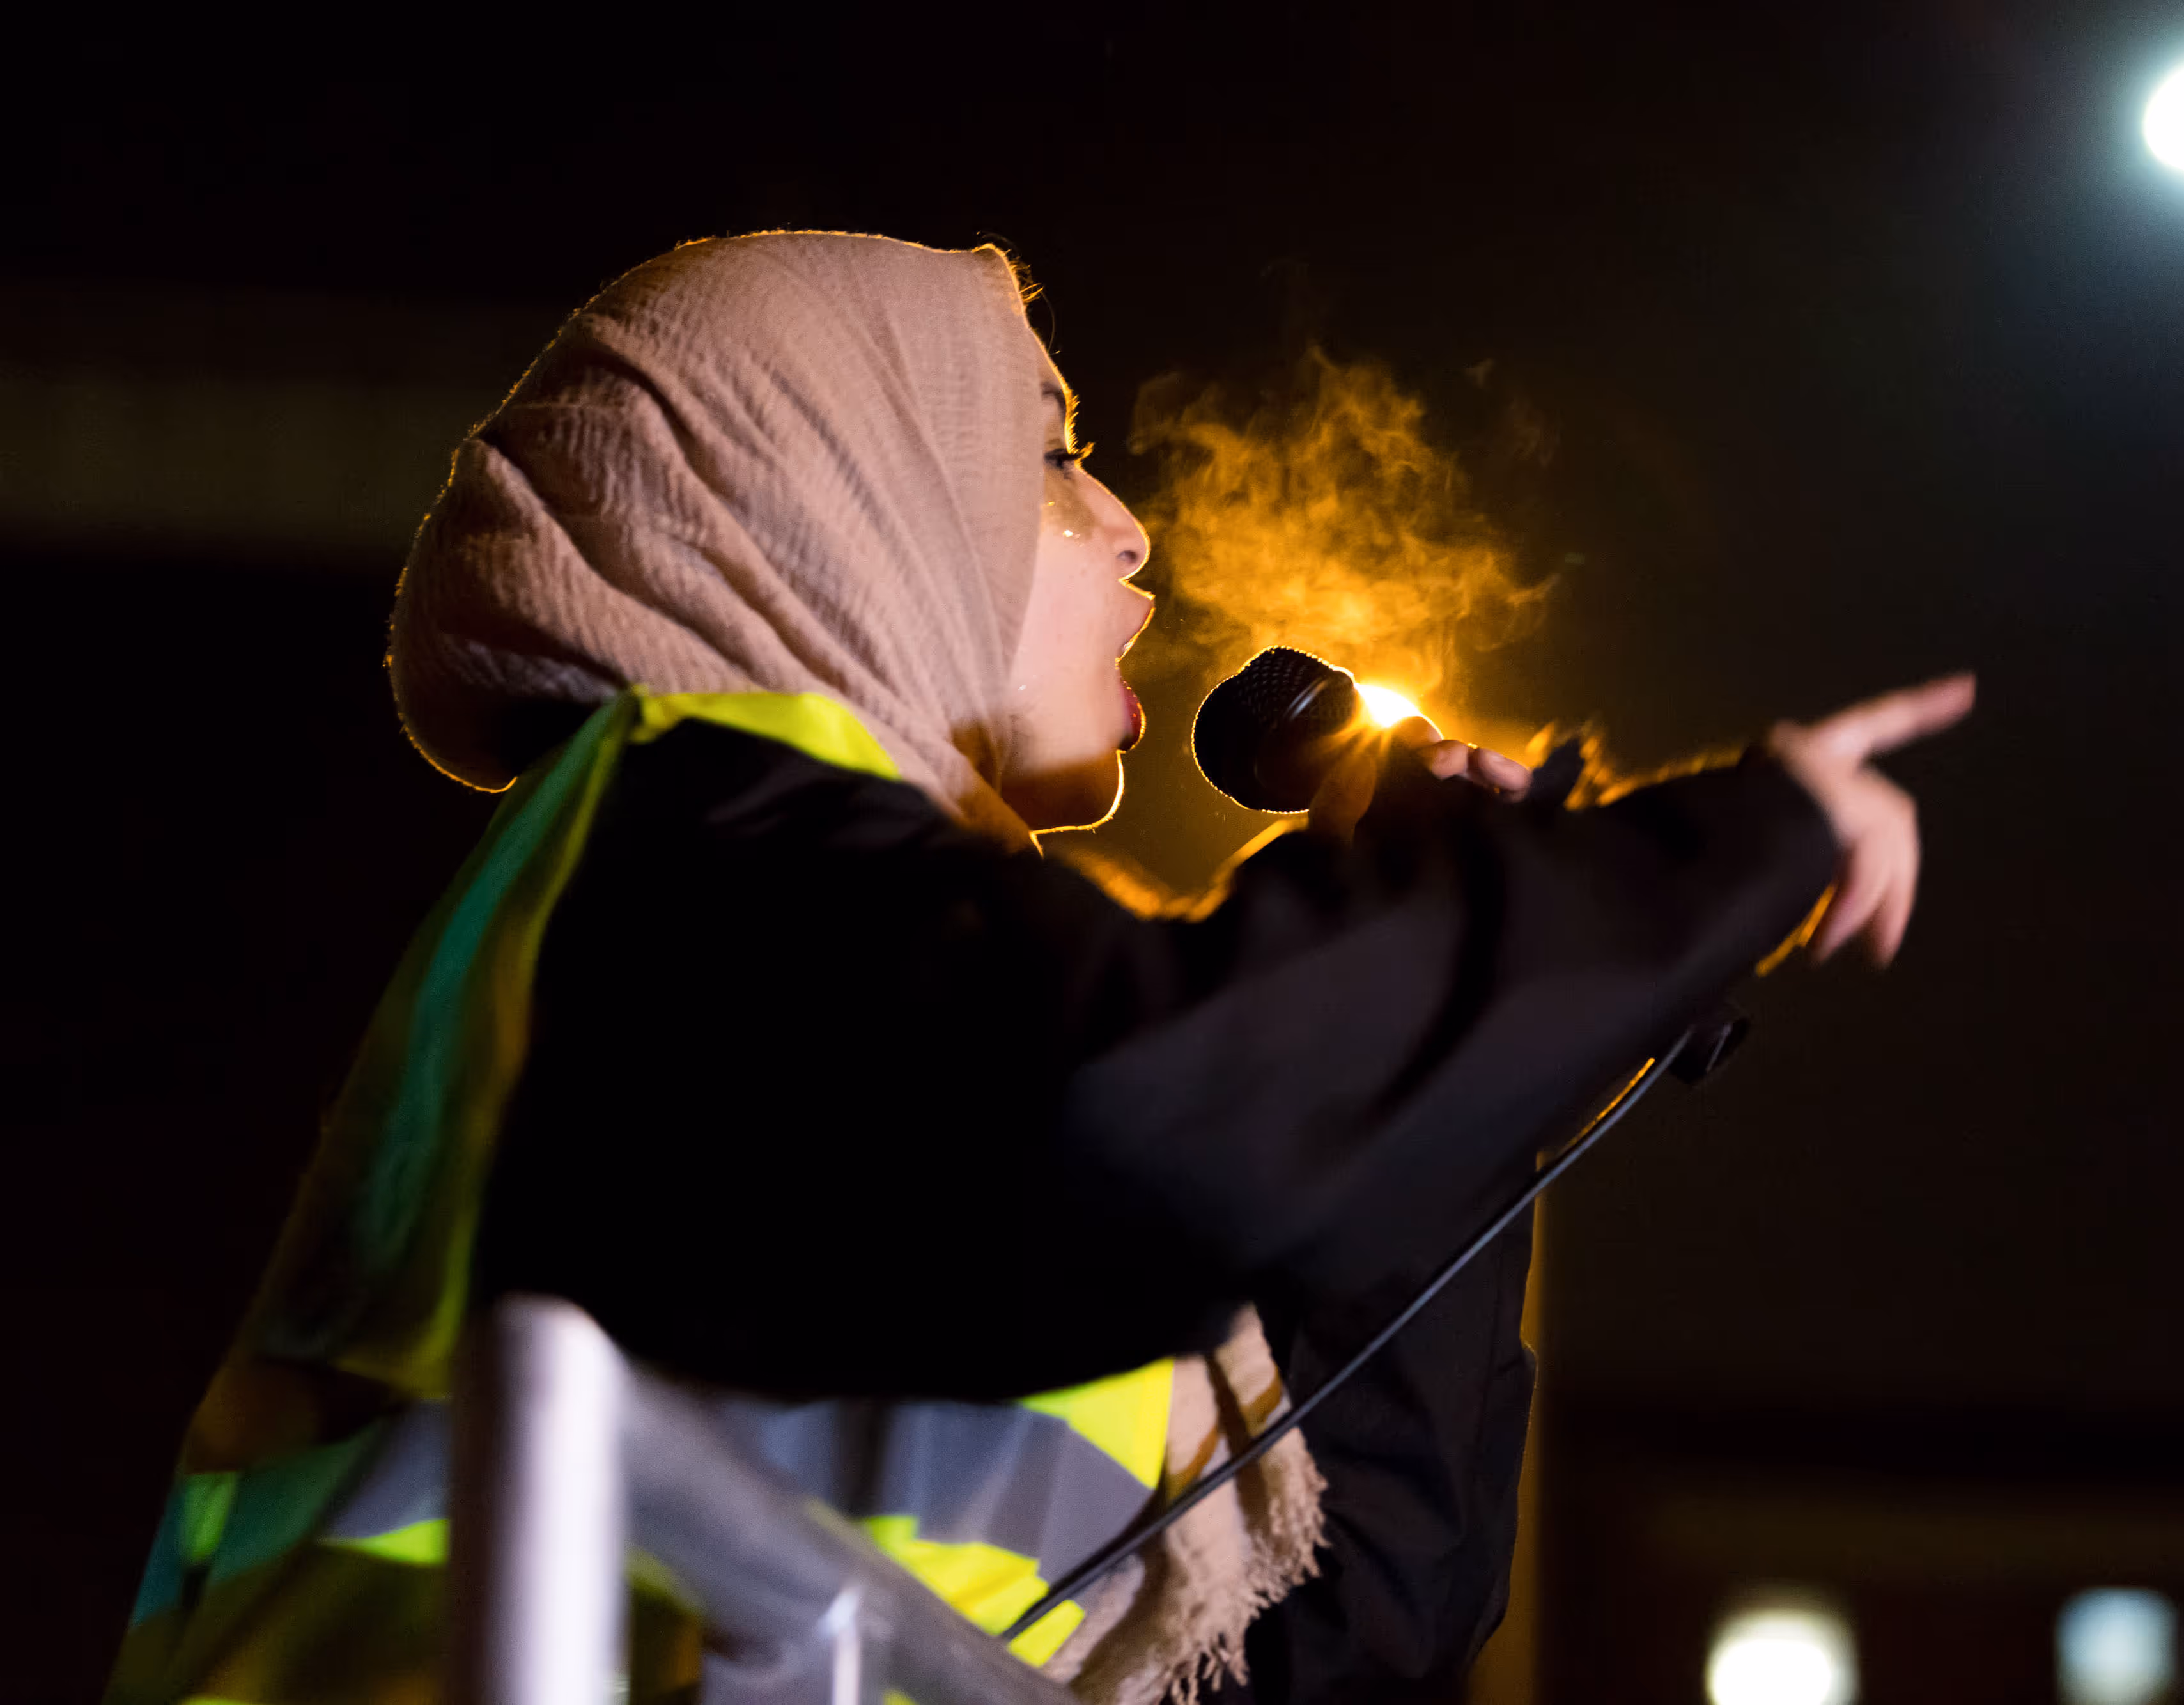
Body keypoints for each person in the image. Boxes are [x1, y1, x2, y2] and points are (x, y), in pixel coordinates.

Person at [106, 232, 1971, 1705]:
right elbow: (1148, 1126)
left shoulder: (841, 950)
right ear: (844, 497)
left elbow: (1346, 1643)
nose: (1128, 522)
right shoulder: (699, 834)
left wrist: (1468, 1084)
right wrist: (1680, 868)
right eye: (1053, 456)